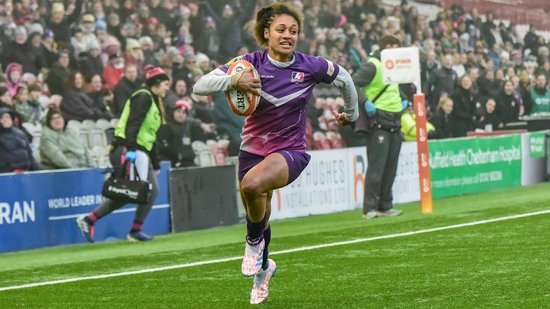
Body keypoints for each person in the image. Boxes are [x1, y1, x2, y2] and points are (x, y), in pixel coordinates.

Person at [193, 3, 358, 304]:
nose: (288, 35)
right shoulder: (249, 63)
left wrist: (351, 112)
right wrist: (234, 80)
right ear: (266, 32)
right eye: (281, 30)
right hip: (252, 151)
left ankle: (252, 240)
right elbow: (199, 86)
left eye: (293, 31)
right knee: (261, 210)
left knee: (252, 186)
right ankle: (263, 269)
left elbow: (345, 78)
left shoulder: (310, 66)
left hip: (290, 151)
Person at [76, 67, 170, 243]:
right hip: (128, 149)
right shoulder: (144, 96)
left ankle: (90, 220)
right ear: (157, 83)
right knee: (138, 190)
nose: (167, 88)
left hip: (139, 150)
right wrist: (131, 150)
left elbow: (150, 135)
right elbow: (133, 124)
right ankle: (134, 229)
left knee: (130, 192)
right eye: (165, 84)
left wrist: (155, 162)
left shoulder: (152, 100)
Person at [352, 34, 408, 219]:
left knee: (390, 167)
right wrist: (365, 101)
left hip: (395, 121)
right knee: (377, 167)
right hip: (379, 121)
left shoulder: (393, 67)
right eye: (394, 47)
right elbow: (353, 82)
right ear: (386, 47)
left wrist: (404, 99)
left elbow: (392, 88)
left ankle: (385, 205)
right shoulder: (373, 65)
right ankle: (369, 208)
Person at [157, 99, 215, 168]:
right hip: (174, 163)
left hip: (188, 162)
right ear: (173, 112)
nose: (181, 115)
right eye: (178, 111)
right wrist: (176, 157)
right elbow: (162, 148)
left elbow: (195, 123)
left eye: (184, 113)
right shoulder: (166, 127)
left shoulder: (188, 126)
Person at [0, 107, 40, 173]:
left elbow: (29, 155)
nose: (5, 120)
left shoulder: (20, 133)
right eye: (1, 118)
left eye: (7, 117)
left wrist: (36, 171)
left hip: (25, 173)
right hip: (7, 175)